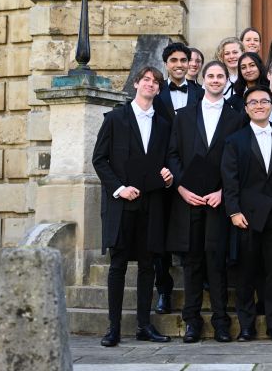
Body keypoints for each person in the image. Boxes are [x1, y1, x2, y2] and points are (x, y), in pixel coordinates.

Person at [92, 66, 173, 347]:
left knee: (148, 265)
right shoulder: (115, 119)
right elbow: (99, 159)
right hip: (122, 205)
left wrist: (169, 174)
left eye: (156, 82)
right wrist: (119, 189)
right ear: (136, 84)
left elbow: (169, 159)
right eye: (146, 80)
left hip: (152, 203)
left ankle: (143, 325)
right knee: (118, 265)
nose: (151, 85)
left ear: (159, 90)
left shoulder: (163, 124)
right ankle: (113, 327)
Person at [166, 61, 244, 344]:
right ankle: (192, 321)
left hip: (218, 202)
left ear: (226, 80)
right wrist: (181, 188)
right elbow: (172, 155)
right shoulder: (184, 116)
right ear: (202, 78)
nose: (214, 79)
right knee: (192, 262)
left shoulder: (236, 117)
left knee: (217, 262)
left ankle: (221, 322)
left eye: (220, 76)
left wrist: (224, 192)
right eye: (210, 75)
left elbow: (239, 161)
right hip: (189, 200)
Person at [222, 85, 272, 341]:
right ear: (246, 108)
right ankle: (246, 326)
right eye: (253, 102)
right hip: (246, 217)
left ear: (271, 106)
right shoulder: (234, 141)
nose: (259, 105)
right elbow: (229, 181)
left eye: (264, 101)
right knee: (246, 274)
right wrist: (233, 212)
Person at [152, 41, 204, 313]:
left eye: (184, 60)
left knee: (193, 234)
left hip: (192, 176)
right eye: (174, 60)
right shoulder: (155, 94)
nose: (180, 64)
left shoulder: (201, 93)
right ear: (167, 64)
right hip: (161, 175)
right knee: (159, 236)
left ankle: (199, 283)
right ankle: (164, 289)